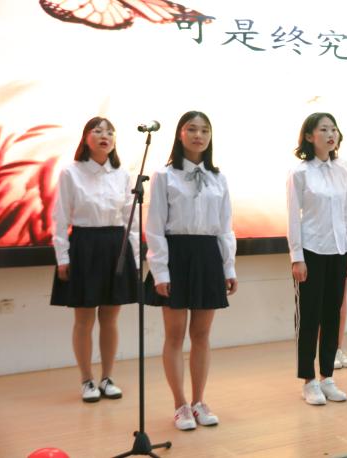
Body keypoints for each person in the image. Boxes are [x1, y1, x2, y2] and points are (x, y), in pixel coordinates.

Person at [145, 111, 237, 430]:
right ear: (180, 134)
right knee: (174, 335)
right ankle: (180, 405)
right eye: (192, 129)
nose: (199, 135)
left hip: (208, 255)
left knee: (201, 335)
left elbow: (225, 227)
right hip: (176, 255)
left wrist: (228, 266)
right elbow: (155, 226)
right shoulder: (164, 175)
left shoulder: (218, 178)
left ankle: (199, 401)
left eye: (205, 130)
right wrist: (160, 272)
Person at [50, 116, 138, 402]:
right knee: (84, 318)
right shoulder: (71, 172)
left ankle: (107, 378)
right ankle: (86, 380)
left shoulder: (122, 174)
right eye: (98, 131)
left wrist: (134, 260)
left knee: (110, 318)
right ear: (86, 138)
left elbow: (131, 221)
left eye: (110, 132)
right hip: (84, 245)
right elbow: (60, 218)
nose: (105, 136)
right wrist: (62, 257)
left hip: (115, 245)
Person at [287, 112, 347, 405]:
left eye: (334, 129)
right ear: (309, 136)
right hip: (312, 251)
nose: (331, 134)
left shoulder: (343, 169)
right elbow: (293, 218)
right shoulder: (300, 172)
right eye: (324, 129)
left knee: (332, 315)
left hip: (339, 251)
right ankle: (309, 380)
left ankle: (327, 376)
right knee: (309, 318)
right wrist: (297, 257)